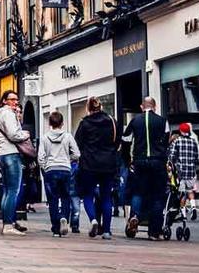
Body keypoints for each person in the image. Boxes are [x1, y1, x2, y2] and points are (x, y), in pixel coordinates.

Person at [123, 96, 170, 240]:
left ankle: (135, 215)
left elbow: (126, 140)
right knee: (157, 195)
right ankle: (154, 231)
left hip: (140, 161)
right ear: (155, 107)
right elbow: (166, 141)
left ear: (142, 107)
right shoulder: (163, 121)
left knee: (138, 192)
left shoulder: (135, 121)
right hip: (157, 162)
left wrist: (128, 160)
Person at [74, 96, 120, 239]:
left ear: (88, 108)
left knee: (88, 195)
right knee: (106, 197)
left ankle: (93, 219)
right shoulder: (112, 122)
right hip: (108, 164)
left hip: (89, 164)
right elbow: (118, 141)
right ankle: (106, 231)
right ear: (101, 107)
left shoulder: (85, 123)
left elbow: (78, 144)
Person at [0, 91, 30, 236]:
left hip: (2, 154)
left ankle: (7, 223)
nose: (15, 102)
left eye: (16, 99)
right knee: (13, 191)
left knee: (7, 191)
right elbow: (13, 135)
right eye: (12, 99)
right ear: (4, 101)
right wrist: (25, 134)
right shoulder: (7, 114)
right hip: (11, 154)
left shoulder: (0, 114)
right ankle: (8, 225)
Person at [38, 110, 79, 237]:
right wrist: (68, 159)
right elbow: (77, 154)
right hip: (65, 170)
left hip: (51, 170)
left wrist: (45, 167)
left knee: (53, 200)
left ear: (50, 123)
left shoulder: (44, 138)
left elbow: (40, 157)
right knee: (66, 197)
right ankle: (64, 218)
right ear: (62, 123)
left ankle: (56, 228)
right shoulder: (68, 137)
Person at [170, 122, 199, 220]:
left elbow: (172, 156)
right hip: (191, 171)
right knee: (190, 190)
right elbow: (196, 157)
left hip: (181, 171)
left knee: (182, 193)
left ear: (181, 131)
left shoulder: (177, 141)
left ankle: (183, 213)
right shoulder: (193, 142)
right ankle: (193, 207)